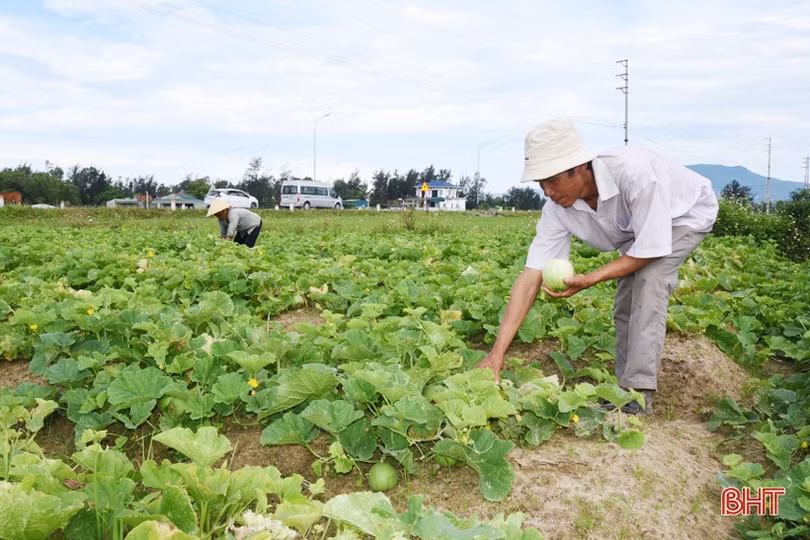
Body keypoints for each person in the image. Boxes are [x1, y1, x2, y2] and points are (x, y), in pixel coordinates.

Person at [476, 119, 718, 415]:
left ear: (579, 168)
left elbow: (652, 248)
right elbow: (530, 277)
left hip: (683, 215)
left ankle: (638, 392)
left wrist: (592, 277)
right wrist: (496, 354)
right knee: (625, 297)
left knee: (649, 280)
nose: (547, 192)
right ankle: (624, 388)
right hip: (637, 228)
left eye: (552, 181)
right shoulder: (556, 211)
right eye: (541, 184)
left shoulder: (633, 173)